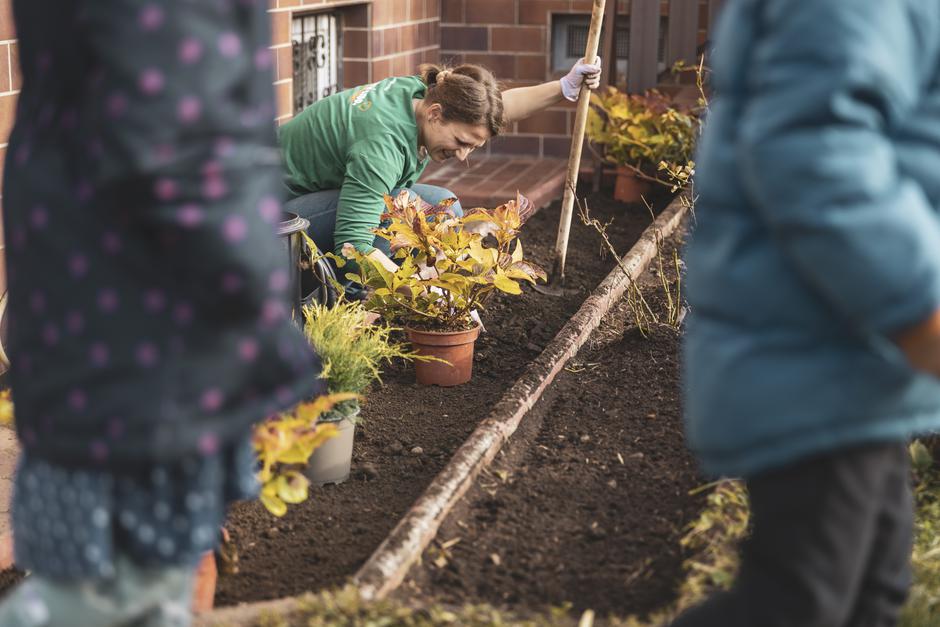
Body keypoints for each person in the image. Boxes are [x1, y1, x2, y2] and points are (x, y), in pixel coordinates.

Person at [0, 1, 323, 625]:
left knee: (122, 589)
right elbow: (179, 144)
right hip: (145, 319)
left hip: (89, 296)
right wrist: (260, 308)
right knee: (114, 597)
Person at [674, 1, 940, 625]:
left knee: (870, 591)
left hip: (854, 356)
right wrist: (919, 309)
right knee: (801, 603)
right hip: (815, 347)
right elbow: (818, 153)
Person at [278, 58, 601, 278]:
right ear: (435, 114)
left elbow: (493, 110)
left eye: (473, 146)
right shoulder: (381, 146)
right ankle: (347, 309)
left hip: (310, 197)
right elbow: (353, 245)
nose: (463, 156)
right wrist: (425, 291)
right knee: (396, 226)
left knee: (443, 205)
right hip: (275, 223)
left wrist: (563, 87)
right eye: (461, 142)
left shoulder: (423, 93)